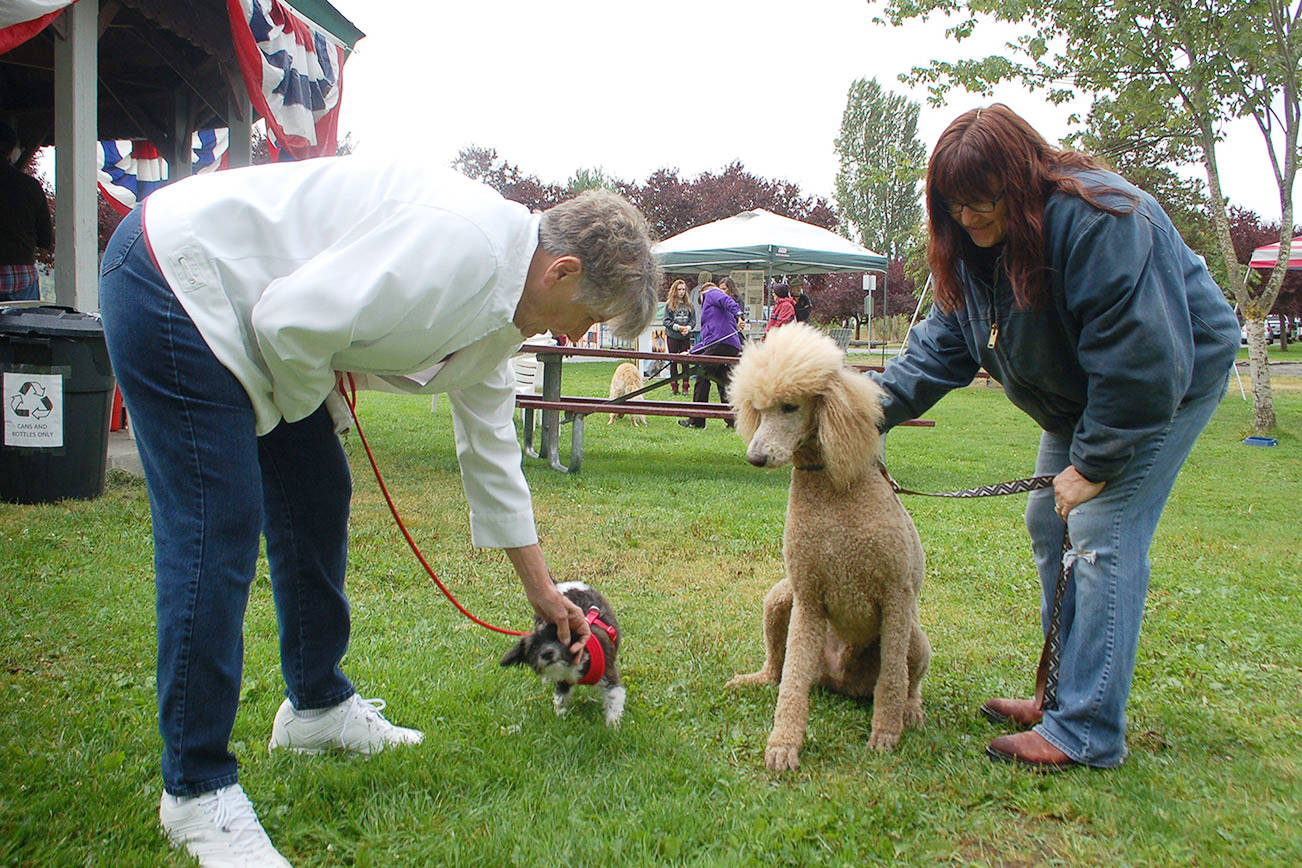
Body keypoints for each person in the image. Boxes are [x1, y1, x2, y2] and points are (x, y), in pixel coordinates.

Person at [98, 157, 660, 866]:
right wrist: (300, 407)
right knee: (218, 525)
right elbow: (287, 319)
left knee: (316, 491)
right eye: (590, 318)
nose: (579, 337)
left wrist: (542, 590)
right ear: (563, 272)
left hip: (265, 325)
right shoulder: (462, 248)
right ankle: (195, 790)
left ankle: (316, 709)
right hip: (176, 278)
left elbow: (492, 455)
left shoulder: (505, 313)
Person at [868, 104, 1238, 771]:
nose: (968, 216)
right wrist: (861, 413)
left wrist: (1094, 463)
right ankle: (1061, 696)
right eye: (953, 205)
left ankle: (1086, 729)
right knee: (1049, 519)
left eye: (982, 200)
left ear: (1021, 180)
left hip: (1167, 378)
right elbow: (940, 348)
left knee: (1099, 527)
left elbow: (1142, 357)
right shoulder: (973, 250)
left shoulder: (1103, 220)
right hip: (1084, 392)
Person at [679, 280, 744, 428]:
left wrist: (739, 315)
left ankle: (697, 421)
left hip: (721, 344)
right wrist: (691, 351)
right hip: (728, 346)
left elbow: (727, 300)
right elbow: (708, 342)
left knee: (702, 376)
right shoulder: (717, 314)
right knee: (723, 381)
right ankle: (733, 421)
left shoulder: (711, 293)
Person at [0, 124, 53, 302]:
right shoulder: (29, 186)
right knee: (25, 327)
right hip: (21, 274)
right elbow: (45, 236)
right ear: (10, 152)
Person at [662, 278, 696, 394]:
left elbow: (693, 320)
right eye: (679, 289)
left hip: (685, 337)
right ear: (675, 290)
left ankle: (685, 387)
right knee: (673, 361)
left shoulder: (689, 305)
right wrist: (677, 327)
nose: (681, 292)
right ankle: (674, 387)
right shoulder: (669, 304)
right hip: (673, 336)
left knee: (685, 362)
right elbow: (666, 321)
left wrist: (688, 328)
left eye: (683, 289)